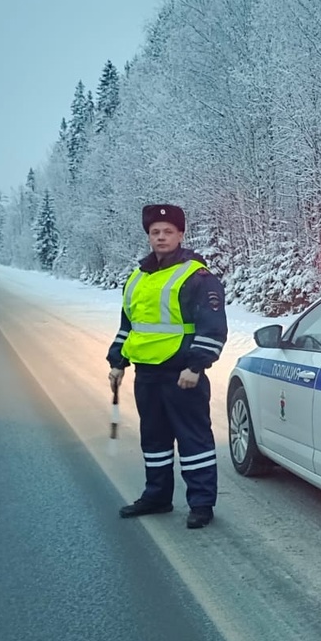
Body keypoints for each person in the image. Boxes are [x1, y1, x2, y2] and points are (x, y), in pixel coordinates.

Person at [106, 204, 228, 529]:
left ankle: (201, 504)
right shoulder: (138, 278)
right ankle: (157, 497)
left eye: (168, 232)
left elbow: (213, 327)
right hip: (146, 375)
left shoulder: (197, 277)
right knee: (154, 440)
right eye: (155, 232)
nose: (161, 237)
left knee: (194, 441)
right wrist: (117, 361)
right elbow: (128, 325)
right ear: (149, 236)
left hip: (182, 376)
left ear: (181, 235)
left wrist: (196, 366)